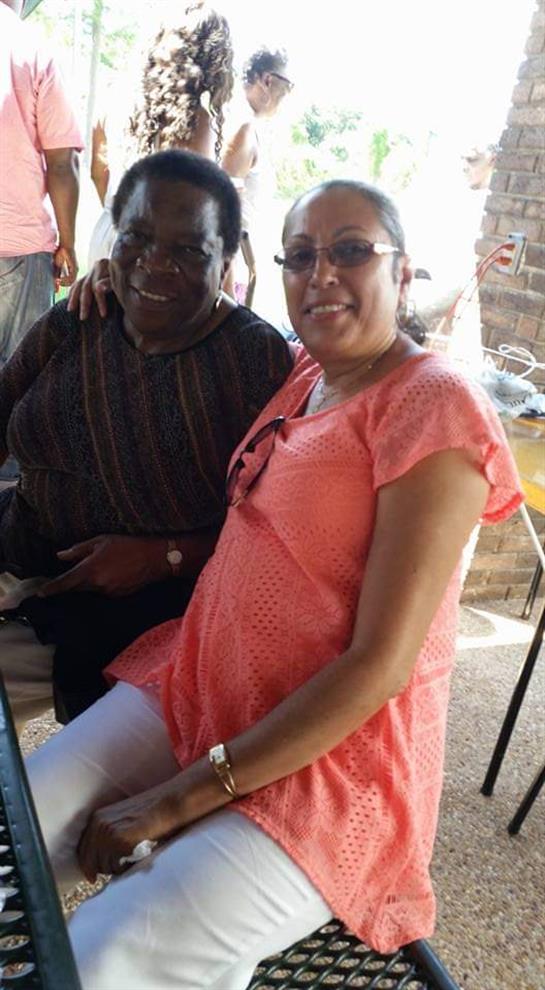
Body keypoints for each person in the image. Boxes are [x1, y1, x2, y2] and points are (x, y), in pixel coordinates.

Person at [26, 179, 523, 990]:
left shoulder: (433, 406)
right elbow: (204, 319)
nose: (320, 273)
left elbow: (379, 669)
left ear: (403, 274)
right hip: (197, 686)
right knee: (17, 838)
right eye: (300, 256)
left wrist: (175, 801)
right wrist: (110, 284)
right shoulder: (305, 373)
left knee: (104, 952)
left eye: (351, 250)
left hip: (330, 764)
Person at [0, 150, 293, 726]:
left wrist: (165, 556)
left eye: (189, 250)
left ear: (228, 257)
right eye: (137, 237)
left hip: (120, 612)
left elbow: (270, 535)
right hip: (19, 541)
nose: (154, 265)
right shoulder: (86, 312)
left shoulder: (253, 360)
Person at [0, 0, 83, 477]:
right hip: (21, 246)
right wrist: (67, 242)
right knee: (20, 385)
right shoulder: (33, 50)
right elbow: (61, 163)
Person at [88, 2, 234, 267]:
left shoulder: (115, 96)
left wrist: (124, 218)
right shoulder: (195, 119)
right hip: (151, 252)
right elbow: (192, 204)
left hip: (109, 235)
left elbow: (99, 174)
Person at [222, 46, 293, 306]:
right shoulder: (242, 128)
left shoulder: (249, 126)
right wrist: (227, 295)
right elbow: (224, 215)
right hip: (231, 272)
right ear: (267, 80)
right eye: (288, 86)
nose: (288, 94)